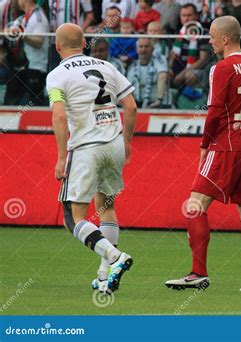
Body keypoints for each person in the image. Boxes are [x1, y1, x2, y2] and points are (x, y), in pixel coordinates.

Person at [165, 15, 241, 292]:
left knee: (195, 203)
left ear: (225, 38)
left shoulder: (221, 67)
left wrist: (205, 144)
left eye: (211, 36)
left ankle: (198, 272)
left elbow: (214, 112)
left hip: (226, 143)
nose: (208, 40)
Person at [46, 23, 137, 294]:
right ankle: (104, 277)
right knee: (106, 206)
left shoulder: (56, 76)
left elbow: (59, 115)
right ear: (84, 42)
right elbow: (130, 105)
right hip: (114, 144)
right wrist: (128, 142)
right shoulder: (106, 67)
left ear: (57, 47)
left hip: (86, 148)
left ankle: (116, 258)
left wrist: (62, 157)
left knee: (73, 219)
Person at [5, 0, 49, 106]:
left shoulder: (38, 17)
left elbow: (39, 41)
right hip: (23, 66)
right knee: (11, 99)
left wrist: (22, 35)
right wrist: (9, 30)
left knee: (34, 103)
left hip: (36, 67)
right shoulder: (25, 17)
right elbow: (11, 28)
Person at [127, 38, 169, 108]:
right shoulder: (132, 67)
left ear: (153, 49)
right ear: (137, 50)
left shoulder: (159, 60)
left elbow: (163, 75)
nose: (144, 49)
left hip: (159, 104)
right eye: (141, 46)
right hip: (138, 105)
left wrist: (159, 100)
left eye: (146, 46)